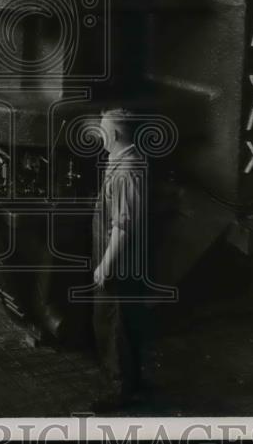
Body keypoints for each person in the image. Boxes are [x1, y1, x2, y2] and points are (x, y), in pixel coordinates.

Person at [90, 108, 152, 412]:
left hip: (120, 263)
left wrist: (106, 264)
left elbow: (122, 225)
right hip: (129, 262)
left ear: (113, 134)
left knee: (112, 325)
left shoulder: (126, 171)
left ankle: (118, 391)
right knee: (126, 324)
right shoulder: (127, 160)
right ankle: (132, 383)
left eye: (102, 129)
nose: (99, 133)